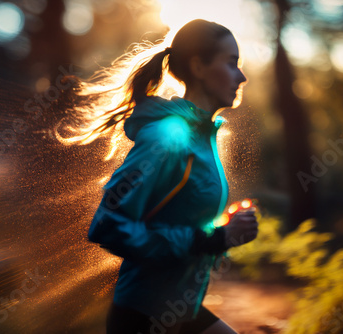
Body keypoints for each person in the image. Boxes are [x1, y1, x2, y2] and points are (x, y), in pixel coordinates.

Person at [66, 19, 259, 334]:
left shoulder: (201, 135)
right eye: (232, 63)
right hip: (144, 316)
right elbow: (108, 224)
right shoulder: (167, 136)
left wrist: (224, 231)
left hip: (179, 308)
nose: (242, 76)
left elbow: (176, 220)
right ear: (198, 66)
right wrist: (215, 239)